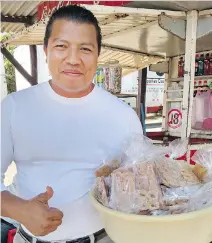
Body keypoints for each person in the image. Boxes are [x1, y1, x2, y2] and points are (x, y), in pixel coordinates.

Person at [1, 5, 143, 243]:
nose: (73, 59)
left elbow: (137, 189)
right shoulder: (14, 108)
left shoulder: (123, 116)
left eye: (85, 49)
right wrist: (20, 209)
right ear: (46, 50)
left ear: (98, 54)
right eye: (61, 46)